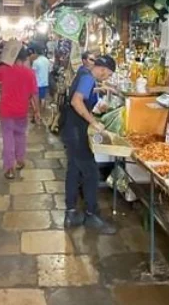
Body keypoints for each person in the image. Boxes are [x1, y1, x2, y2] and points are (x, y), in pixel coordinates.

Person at [60, 55, 118, 234]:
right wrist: (93, 121)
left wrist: (102, 88)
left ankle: (71, 214)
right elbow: (76, 100)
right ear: (101, 69)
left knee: (74, 170)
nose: (106, 78)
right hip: (77, 131)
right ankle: (91, 215)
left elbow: (86, 90)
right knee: (91, 172)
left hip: (69, 129)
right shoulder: (87, 78)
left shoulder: (85, 72)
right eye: (107, 75)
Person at [0, 48, 40, 179]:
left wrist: (0, 62)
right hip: (22, 111)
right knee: (20, 136)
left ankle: (9, 168)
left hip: (6, 110)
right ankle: (20, 159)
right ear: (23, 60)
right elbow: (34, 94)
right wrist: (37, 111)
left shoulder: (4, 70)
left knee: (8, 139)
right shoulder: (30, 73)